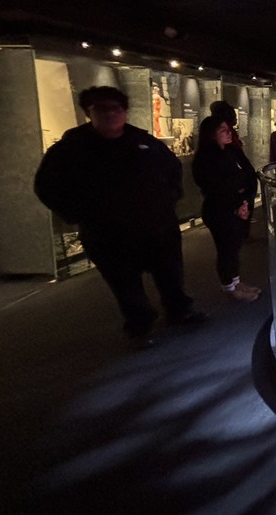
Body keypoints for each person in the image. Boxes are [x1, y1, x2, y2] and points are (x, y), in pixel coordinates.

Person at [34, 86, 207, 349]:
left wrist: (168, 202)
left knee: (170, 274)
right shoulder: (70, 150)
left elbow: (172, 170)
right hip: (109, 235)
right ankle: (140, 324)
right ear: (88, 113)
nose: (110, 114)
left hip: (158, 228)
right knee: (125, 284)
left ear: (125, 111)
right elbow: (47, 187)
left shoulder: (145, 142)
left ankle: (179, 310)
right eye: (101, 109)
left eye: (116, 108)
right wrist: (79, 215)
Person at [192, 116, 261, 302]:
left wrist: (244, 200)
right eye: (223, 130)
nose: (229, 132)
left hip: (238, 207)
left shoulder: (232, 152)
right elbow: (216, 187)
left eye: (228, 128)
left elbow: (247, 176)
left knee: (235, 247)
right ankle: (229, 287)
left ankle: (236, 281)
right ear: (211, 134)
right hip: (220, 211)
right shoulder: (204, 159)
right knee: (226, 249)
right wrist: (237, 202)